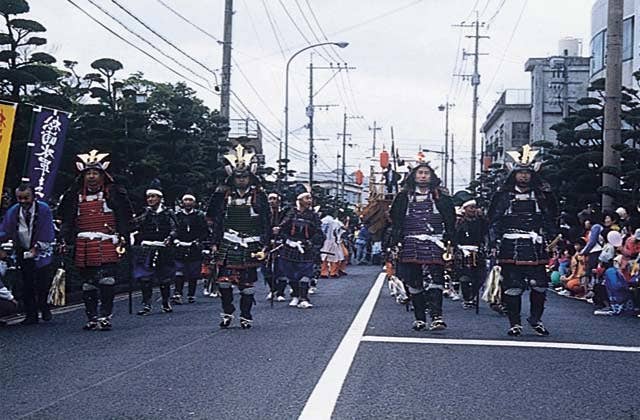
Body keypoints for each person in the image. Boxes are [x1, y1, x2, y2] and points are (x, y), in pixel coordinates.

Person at [488, 145, 558, 337]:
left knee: (539, 284)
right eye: (521, 173)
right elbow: (494, 220)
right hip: (511, 244)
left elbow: (550, 217)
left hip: (535, 244)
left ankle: (535, 318)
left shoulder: (541, 195)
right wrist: (493, 243)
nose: (524, 176)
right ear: (514, 174)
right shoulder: (503, 196)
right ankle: (515, 322)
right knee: (513, 285)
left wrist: (553, 238)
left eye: (527, 172)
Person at [58, 150, 133, 330]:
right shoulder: (73, 196)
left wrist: (124, 236)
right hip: (83, 244)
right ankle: (91, 317)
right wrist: (63, 240)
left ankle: (105, 316)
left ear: (103, 175)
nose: (91, 177)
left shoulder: (114, 193)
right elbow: (66, 220)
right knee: (88, 283)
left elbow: (125, 216)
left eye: (95, 173)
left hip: (107, 242)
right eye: (88, 173)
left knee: (107, 280)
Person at [207, 144, 270, 329]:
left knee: (247, 286)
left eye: (244, 177)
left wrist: (265, 245)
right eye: (238, 177)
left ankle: (246, 315)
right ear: (232, 178)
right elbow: (216, 219)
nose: (241, 180)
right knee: (224, 283)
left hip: (251, 244)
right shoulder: (224, 195)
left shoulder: (259, 196)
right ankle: (227, 312)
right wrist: (214, 243)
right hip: (228, 242)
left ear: (250, 177)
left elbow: (266, 221)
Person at [389, 159, 456, 331]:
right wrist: (394, 242)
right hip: (410, 241)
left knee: (436, 279)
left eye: (426, 173)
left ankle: (436, 317)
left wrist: (451, 243)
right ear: (414, 176)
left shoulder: (442, 198)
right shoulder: (403, 197)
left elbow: (450, 221)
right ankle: (419, 318)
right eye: (420, 173)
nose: (423, 176)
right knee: (414, 281)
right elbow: (395, 221)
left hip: (435, 242)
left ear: (432, 176)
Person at [0, 184, 55, 325]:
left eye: (26, 198)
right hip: (22, 249)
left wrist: (37, 247)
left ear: (33, 197)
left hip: (41, 248)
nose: (23, 201)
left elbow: (46, 231)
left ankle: (44, 306)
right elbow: (5, 230)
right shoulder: (14, 211)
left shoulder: (43, 209)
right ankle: (31, 315)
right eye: (20, 198)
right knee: (27, 283)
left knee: (43, 282)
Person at [274, 186, 324, 309]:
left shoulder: (313, 216)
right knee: (290, 273)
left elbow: (318, 233)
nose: (310, 201)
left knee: (305, 272)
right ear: (299, 199)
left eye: (310, 198)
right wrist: (278, 232)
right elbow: (282, 228)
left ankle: (304, 298)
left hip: (306, 248)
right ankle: (295, 294)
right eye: (307, 198)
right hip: (290, 247)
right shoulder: (289, 213)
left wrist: (311, 243)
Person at [131, 186, 177, 316]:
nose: (150, 199)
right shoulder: (144, 213)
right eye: (148, 197)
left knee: (165, 278)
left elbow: (175, 228)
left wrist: (171, 237)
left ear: (160, 198)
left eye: (153, 196)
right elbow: (134, 224)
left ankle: (165, 302)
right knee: (145, 278)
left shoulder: (168, 213)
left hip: (163, 247)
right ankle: (146, 304)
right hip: (146, 248)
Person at [171, 194, 208, 305]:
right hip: (180, 246)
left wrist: (198, 241)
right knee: (179, 271)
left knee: (193, 273)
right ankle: (178, 293)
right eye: (185, 200)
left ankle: (191, 294)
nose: (188, 202)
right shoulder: (177, 215)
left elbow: (204, 231)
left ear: (194, 202)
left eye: (190, 200)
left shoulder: (199, 215)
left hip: (194, 246)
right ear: (182, 202)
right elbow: (173, 229)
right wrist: (175, 240)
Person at [454, 198, 486, 309]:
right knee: (465, 276)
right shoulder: (459, 222)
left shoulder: (481, 221)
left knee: (481, 276)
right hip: (463, 251)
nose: (473, 210)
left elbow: (487, 232)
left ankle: (473, 295)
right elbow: (454, 236)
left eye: (475, 207)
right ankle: (467, 298)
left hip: (478, 251)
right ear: (465, 209)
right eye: (471, 207)